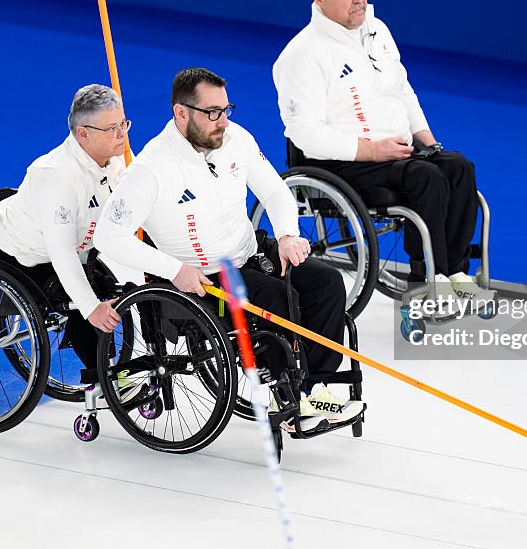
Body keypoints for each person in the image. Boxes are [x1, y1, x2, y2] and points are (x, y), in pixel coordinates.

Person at [93, 67, 363, 432]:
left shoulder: (236, 139)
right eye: (212, 113)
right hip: (202, 280)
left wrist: (286, 235)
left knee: (326, 282)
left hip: (252, 256)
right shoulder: (151, 168)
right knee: (279, 299)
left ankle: (316, 389)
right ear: (181, 113)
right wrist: (175, 271)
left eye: (226, 109)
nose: (223, 121)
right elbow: (108, 235)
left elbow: (275, 191)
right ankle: (296, 398)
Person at [273, 0, 480, 288]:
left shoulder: (377, 31)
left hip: (397, 151)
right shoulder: (302, 55)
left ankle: (454, 273)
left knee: (458, 167)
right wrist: (371, 150)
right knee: (425, 177)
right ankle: (426, 281)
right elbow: (305, 133)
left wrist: (428, 142)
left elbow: (403, 90)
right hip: (344, 161)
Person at [0, 84, 130, 377]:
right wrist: (91, 307)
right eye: (112, 128)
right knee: (81, 306)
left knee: (117, 289)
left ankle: (116, 367)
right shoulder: (57, 177)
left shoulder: (116, 156)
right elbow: (61, 252)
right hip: (25, 252)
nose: (122, 135)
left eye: (123, 124)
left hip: (80, 245)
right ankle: (104, 378)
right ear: (83, 134)